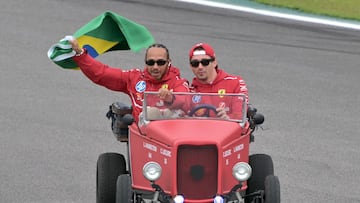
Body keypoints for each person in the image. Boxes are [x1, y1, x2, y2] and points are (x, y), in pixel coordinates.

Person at [69, 39, 189, 123]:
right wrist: (80, 54)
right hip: (142, 136)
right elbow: (102, 74)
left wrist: (171, 98)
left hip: (169, 134)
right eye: (151, 62)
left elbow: (186, 101)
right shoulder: (134, 78)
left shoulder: (178, 82)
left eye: (161, 62)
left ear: (169, 63)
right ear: (146, 63)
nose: (155, 67)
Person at [187, 42, 249, 119]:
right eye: (195, 63)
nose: (200, 67)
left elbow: (240, 115)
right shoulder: (189, 92)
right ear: (191, 66)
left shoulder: (235, 82)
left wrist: (228, 118)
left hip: (229, 129)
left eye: (205, 62)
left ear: (214, 62)